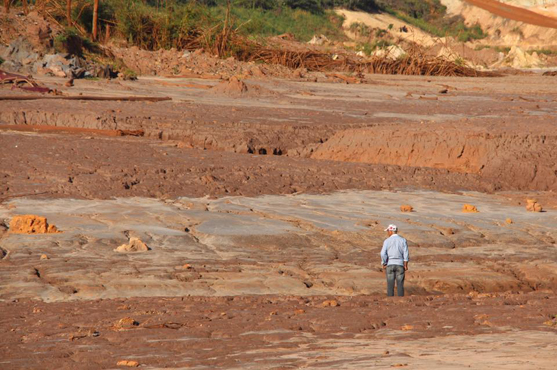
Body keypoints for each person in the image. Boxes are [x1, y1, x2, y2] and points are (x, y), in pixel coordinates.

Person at [380, 224, 409, 297]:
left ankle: (390, 301)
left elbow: (383, 253)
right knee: (400, 284)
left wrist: (384, 263)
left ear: (391, 231)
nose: (387, 233)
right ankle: (401, 300)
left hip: (390, 264)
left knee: (390, 284)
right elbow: (406, 253)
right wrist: (405, 264)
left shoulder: (387, 241)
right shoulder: (403, 240)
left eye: (388, 231)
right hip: (400, 264)